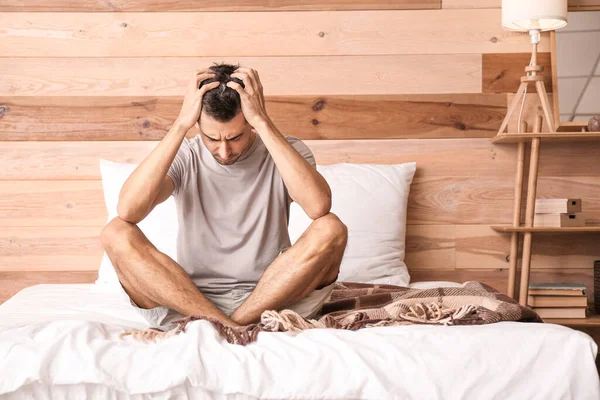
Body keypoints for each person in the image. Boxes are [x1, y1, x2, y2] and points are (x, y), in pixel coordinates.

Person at [100, 63, 348, 330]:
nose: (225, 151)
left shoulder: (286, 150)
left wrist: (263, 122)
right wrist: (181, 124)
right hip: (188, 302)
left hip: (273, 300)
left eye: (235, 137)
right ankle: (227, 325)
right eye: (212, 138)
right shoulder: (186, 154)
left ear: (251, 122)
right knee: (116, 232)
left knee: (331, 227)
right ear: (197, 124)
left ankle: (227, 327)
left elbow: (318, 206)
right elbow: (128, 210)